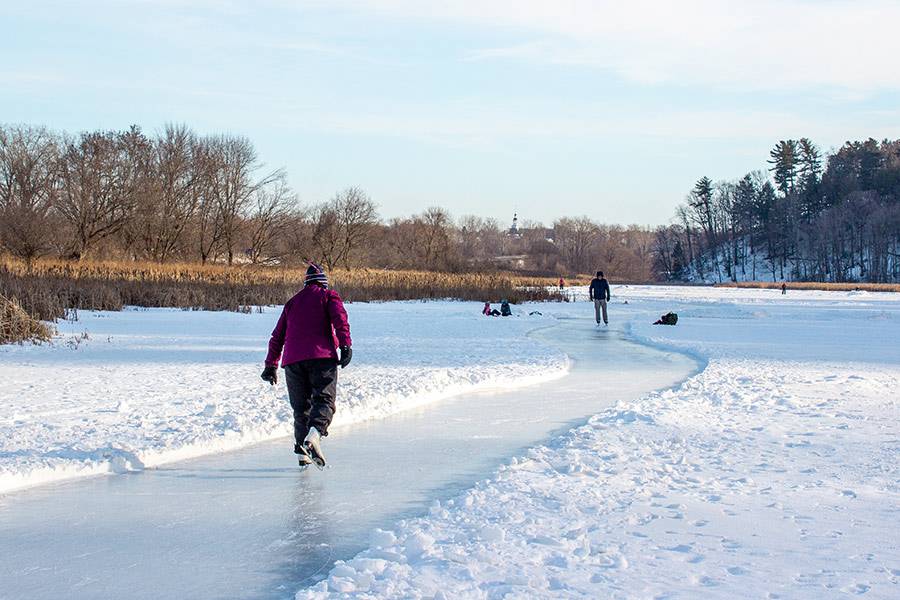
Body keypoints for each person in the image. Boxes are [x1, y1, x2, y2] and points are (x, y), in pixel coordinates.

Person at [261, 263, 352, 468]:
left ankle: (302, 456)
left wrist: (270, 365)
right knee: (324, 400)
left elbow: (277, 337)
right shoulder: (329, 296)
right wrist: (345, 345)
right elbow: (340, 320)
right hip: (321, 357)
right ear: (323, 281)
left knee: (301, 409)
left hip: (293, 362)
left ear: (306, 282)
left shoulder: (292, 303)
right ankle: (313, 438)